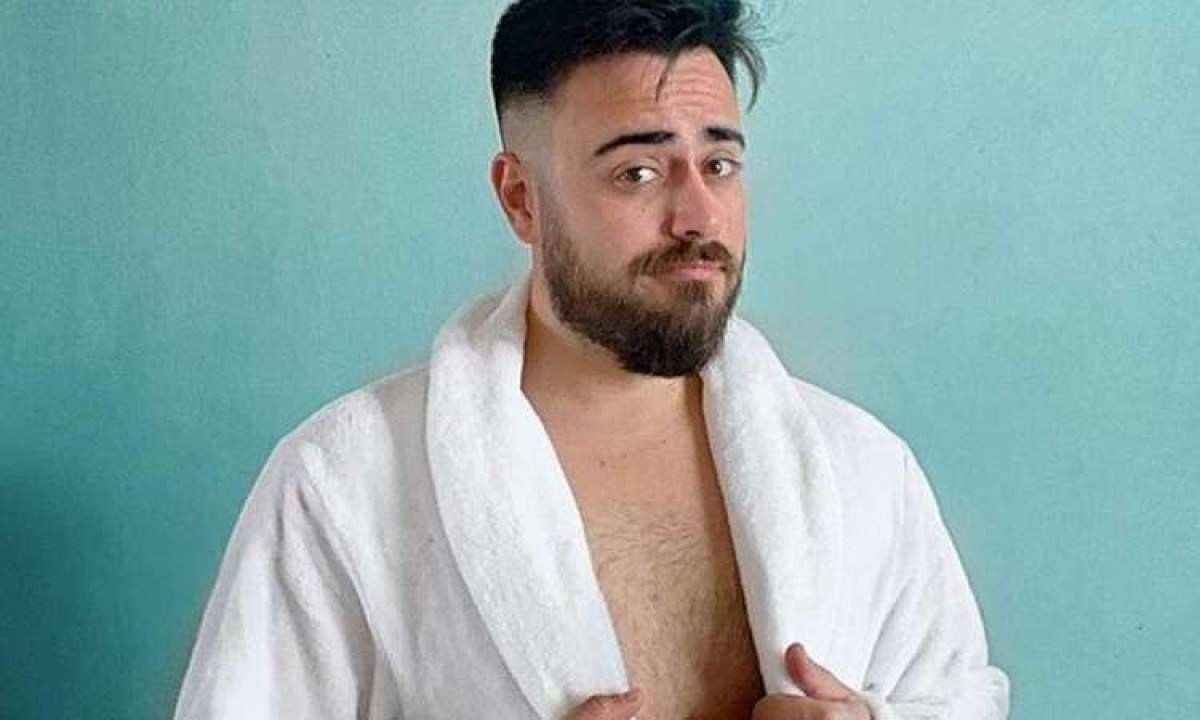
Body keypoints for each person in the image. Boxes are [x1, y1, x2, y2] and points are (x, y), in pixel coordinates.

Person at [173, 1, 1010, 718]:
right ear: (521, 199)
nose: (698, 215)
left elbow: (959, 699)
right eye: (638, 172)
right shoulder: (344, 486)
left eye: (719, 164)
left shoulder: (863, 473)